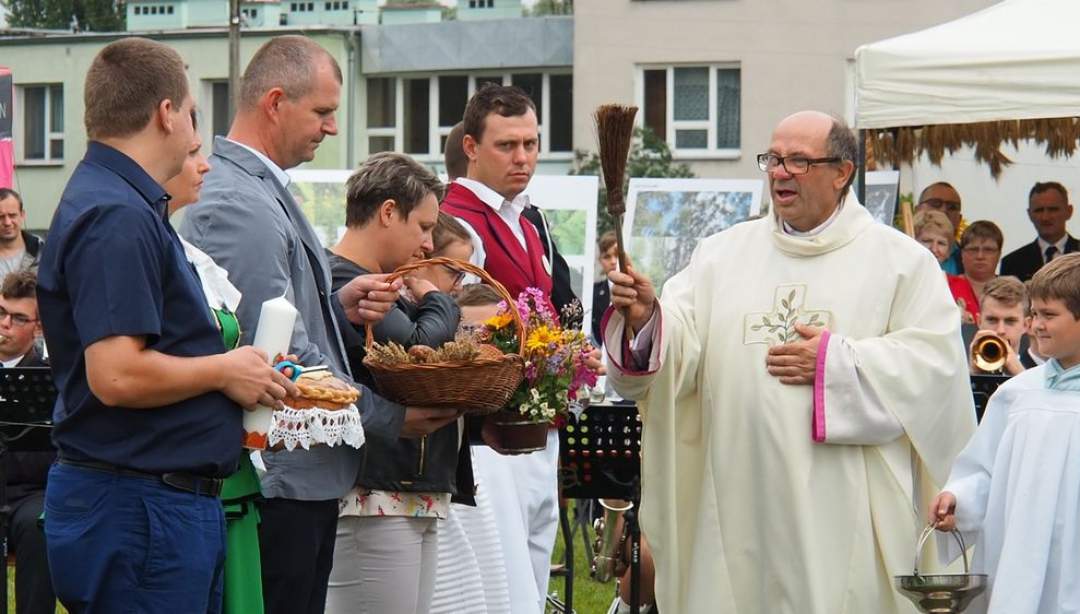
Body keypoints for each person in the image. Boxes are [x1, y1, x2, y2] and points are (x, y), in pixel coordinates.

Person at [602, 110, 975, 613]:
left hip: (841, 499)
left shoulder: (900, 262)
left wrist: (837, 363)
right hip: (737, 490)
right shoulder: (720, 255)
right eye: (773, 159)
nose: (780, 172)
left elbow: (934, 369)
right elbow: (680, 349)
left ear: (842, 172)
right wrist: (648, 318)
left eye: (799, 161)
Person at [36, 37, 297, 613]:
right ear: (166, 113)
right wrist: (225, 370)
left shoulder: (126, 205)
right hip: (138, 506)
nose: (196, 132)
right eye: (193, 112)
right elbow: (116, 375)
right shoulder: (116, 214)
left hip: (150, 503)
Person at [178, 36, 433, 614]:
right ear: (275, 103)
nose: (331, 127)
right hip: (280, 477)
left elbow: (279, 316)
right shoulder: (237, 203)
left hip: (300, 476)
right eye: (322, 112)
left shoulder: (259, 190)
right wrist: (393, 418)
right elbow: (272, 355)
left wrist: (335, 305)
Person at [441, 84, 564, 612]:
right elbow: (456, 329)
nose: (522, 158)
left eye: (531, 144)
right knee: (503, 581)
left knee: (532, 571)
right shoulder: (456, 221)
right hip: (487, 433)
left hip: (533, 421)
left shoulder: (526, 218)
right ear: (470, 147)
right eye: (507, 145)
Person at [324, 152, 463, 614]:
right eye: (423, 227)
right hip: (374, 490)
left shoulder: (378, 284)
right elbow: (418, 349)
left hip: (402, 488)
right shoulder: (345, 278)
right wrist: (437, 297)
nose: (428, 245)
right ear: (387, 212)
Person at [930, 252, 1080, 614]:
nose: (1036, 326)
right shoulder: (1017, 394)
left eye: (1049, 315)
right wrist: (958, 499)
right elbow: (984, 469)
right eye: (1034, 314)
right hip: (1018, 554)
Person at [163, 121, 267, 614]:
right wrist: (227, 371)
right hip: (173, 473)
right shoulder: (146, 249)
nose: (204, 166)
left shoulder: (193, 258)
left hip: (224, 469)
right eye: (191, 155)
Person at [430, 283, 515, 614]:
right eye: (469, 331)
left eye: (491, 333)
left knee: (491, 556)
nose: (479, 341)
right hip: (450, 475)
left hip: (486, 469)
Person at [0, 270, 56, 614]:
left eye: (18, 318)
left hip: (30, 492)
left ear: (38, 328)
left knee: (40, 526)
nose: (4, 324)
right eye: (0, 312)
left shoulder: (49, 377)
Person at [1000, 181, 1079, 282]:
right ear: (1029, 214)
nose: (1045, 217)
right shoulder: (1012, 263)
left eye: (1053, 209)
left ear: (1069, 211)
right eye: (1039, 210)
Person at [967, 276, 1028, 376]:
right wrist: (972, 376)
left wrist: (1020, 374)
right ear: (979, 321)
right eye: (992, 320)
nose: (1000, 330)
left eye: (1010, 321)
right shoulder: (957, 369)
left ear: (1026, 325)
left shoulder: (1041, 373)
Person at [948, 220, 1004, 325]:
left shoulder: (1011, 291)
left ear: (999, 254)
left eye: (988, 250)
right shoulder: (947, 287)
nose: (980, 256)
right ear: (962, 254)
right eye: (973, 249)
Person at [915, 182, 965, 274]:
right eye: (935, 203)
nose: (943, 210)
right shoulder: (897, 252)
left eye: (952, 207)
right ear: (917, 210)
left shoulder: (968, 256)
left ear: (959, 219)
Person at [0, 188, 42, 276]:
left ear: (22, 215)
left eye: (12, 215)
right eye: (1, 217)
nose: (7, 222)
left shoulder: (42, 250)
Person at [592, 231, 619, 345]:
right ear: (600, 260)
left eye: (617, 255)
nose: (613, 261)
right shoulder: (593, 294)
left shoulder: (639, 291)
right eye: (607, 257)